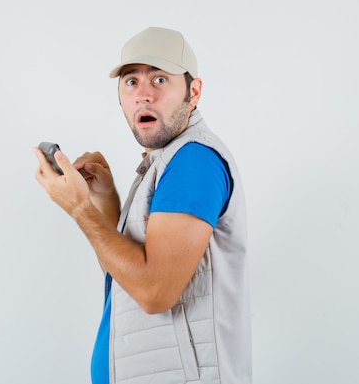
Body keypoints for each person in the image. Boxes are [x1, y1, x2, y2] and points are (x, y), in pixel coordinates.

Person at [33, 26, 252, 384]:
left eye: (160, 79)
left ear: (193, 92)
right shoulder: (165, 162)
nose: (143, 95)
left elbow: (154, 292)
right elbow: (131, 273)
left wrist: (78, 209)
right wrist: (104, 202)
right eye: (131, 81)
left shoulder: (193, 163)